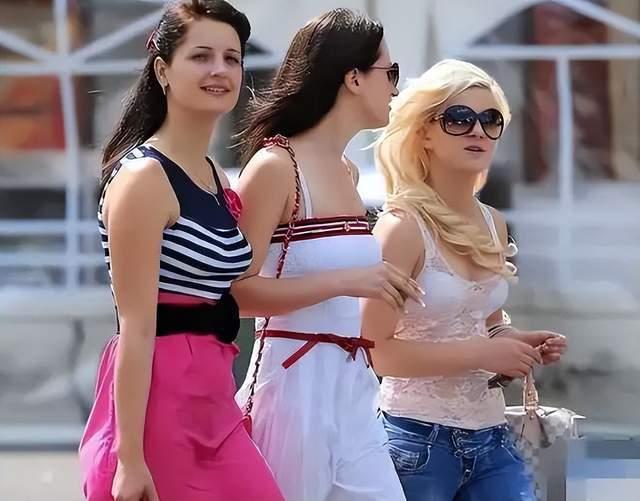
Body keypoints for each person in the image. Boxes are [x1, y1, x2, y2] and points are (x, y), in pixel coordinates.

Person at [78, 2, 283, 500]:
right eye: (201, 56)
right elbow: (135, 327)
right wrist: (129, 458)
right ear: (163, 71)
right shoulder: (144, 178)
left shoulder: (216, 177)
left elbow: (239, 282)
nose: (220, 70)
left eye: (232, 58)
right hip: (159, 400)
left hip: (215, 392)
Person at [233, 8, 421, 501]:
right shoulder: (275, 166)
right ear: (353, 78)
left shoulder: (346, 171)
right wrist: (348, 282)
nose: (395, 87)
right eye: (389, 72)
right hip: (292, 387)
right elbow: (236, 294)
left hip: (352, 384)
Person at [362, 59, 568, 501]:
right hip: (415, 440)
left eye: (490, 120)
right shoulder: (401, 229)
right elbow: (374, 352)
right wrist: (484, 353)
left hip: (492, 437)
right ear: (424, 132)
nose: (478, 130)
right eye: (458, 118)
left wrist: (517, 343)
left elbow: (486, 324)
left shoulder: (494, 222)